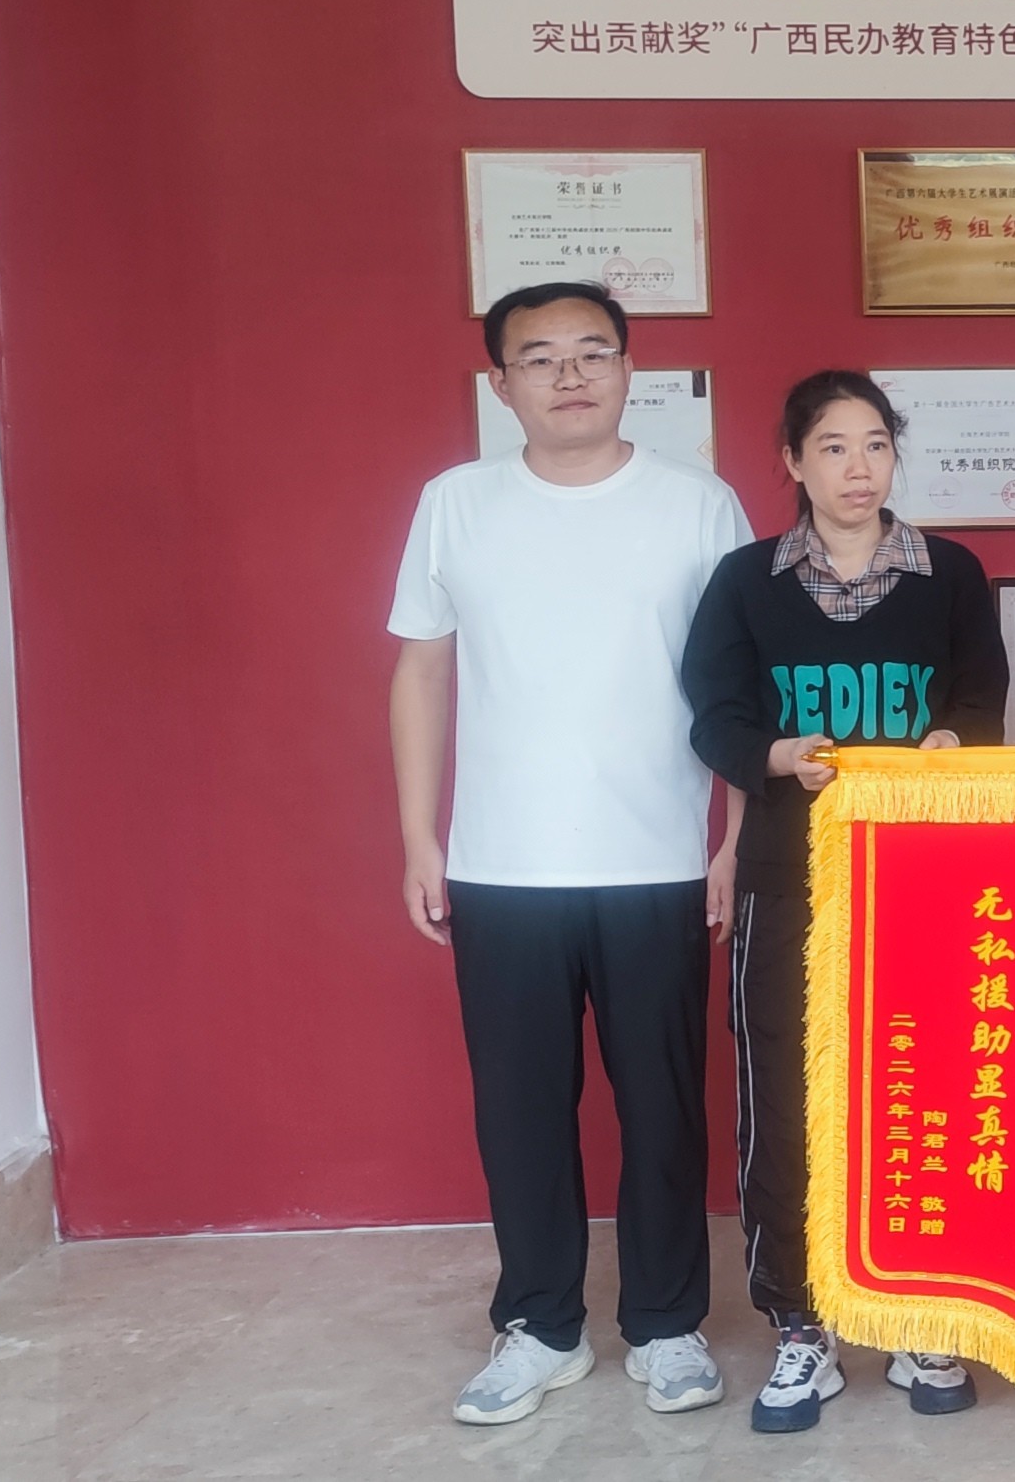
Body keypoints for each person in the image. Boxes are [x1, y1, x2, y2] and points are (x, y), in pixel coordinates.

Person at [386, 281, 753, 1426]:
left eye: (594, 351)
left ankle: (667, 1321)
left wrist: (733, 838)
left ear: (631, 368)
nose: (571, 375)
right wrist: (419, 834)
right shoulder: (455, 503)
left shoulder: (699, 505)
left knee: (663, 1106)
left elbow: (744, 685)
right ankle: (540, 1324)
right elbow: (421, 668)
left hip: (657, 859)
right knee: (520, 1108)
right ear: (501, 383)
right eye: (540, 357)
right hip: (502, 864)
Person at [679, 369, 1006, 1431]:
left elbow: (981, 694)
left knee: (926, 1088)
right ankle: (801, 1325)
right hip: (790, 875)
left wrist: (953, 738)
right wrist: (777, 755)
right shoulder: (745, 581)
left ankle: (922, 1311)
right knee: (785, 1098)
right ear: (792, 461)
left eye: (875, 444)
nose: (858, 467)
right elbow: (714, 713)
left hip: (924, 878)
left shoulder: (951, 574)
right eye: (832, 446)